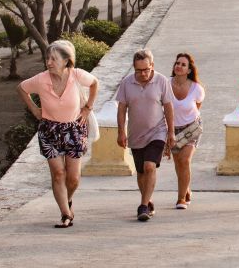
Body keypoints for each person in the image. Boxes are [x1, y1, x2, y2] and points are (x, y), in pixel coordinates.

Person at [16, 40, 98, 228]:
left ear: (66, 60)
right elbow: (21, 88)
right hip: (49, 130)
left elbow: (95, 84)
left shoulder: (77, 76)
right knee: (58, 174)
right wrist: (35, 109)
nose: (49, 62)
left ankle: (66, 199)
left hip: (74, 130)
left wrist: (87, 108)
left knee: (73, 178)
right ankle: (65, 213)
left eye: (53, 59)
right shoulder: (40, 79)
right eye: (47, 58)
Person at [115, 49, 176, 222]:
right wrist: (121, 131)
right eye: (138, 70)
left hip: (157, 131)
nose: (142, 74)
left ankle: (142, 206)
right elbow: (121, 108)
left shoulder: (162, 81)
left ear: (152, 66)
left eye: (146, 70)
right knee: (141, 172)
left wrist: (171, 132)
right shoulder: (127, 83)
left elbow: (169, 107)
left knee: (150, 167)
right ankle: (147, 201)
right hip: (136, 134)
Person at [170, 53, 206, 210]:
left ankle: (181, 198)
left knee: (184, 160)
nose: (179, 66)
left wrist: (188, 120)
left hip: (191, 128)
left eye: (183, 64)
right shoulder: (165, 84)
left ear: (189, 70)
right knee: (178, 163)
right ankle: (187, 189)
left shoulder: (196, 88)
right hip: (172, 129)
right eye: (177, 63)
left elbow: (198, 105)